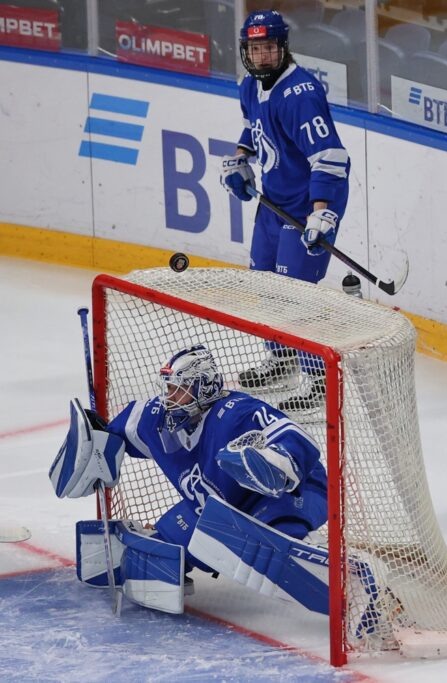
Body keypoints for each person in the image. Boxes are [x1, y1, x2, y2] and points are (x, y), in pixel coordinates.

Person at [50, 345, 330, 612]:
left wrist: (276, 463)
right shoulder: (157, 419)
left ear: (202, 387)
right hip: (218, 513)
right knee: (148, 560)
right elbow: (116, 434)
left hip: (293, 492)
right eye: (169, 388)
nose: (170, 397)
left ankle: (315, 553)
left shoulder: (236, 412)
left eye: (179, 389)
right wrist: (95, 441)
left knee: (276, 541)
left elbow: (297, 437)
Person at [219, 9, 352, 411]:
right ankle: (282, 360)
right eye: (255, 49)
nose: (262, 57)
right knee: (265, 285)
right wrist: (241, 158)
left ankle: (320, 380)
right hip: (274, 202)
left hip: (307, 205)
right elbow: (254, 127)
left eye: (269, 48)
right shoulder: (250, 85)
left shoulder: (301, 95)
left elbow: (329, 157)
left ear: (283, 48)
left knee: (297, 296)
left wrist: (322, 212)